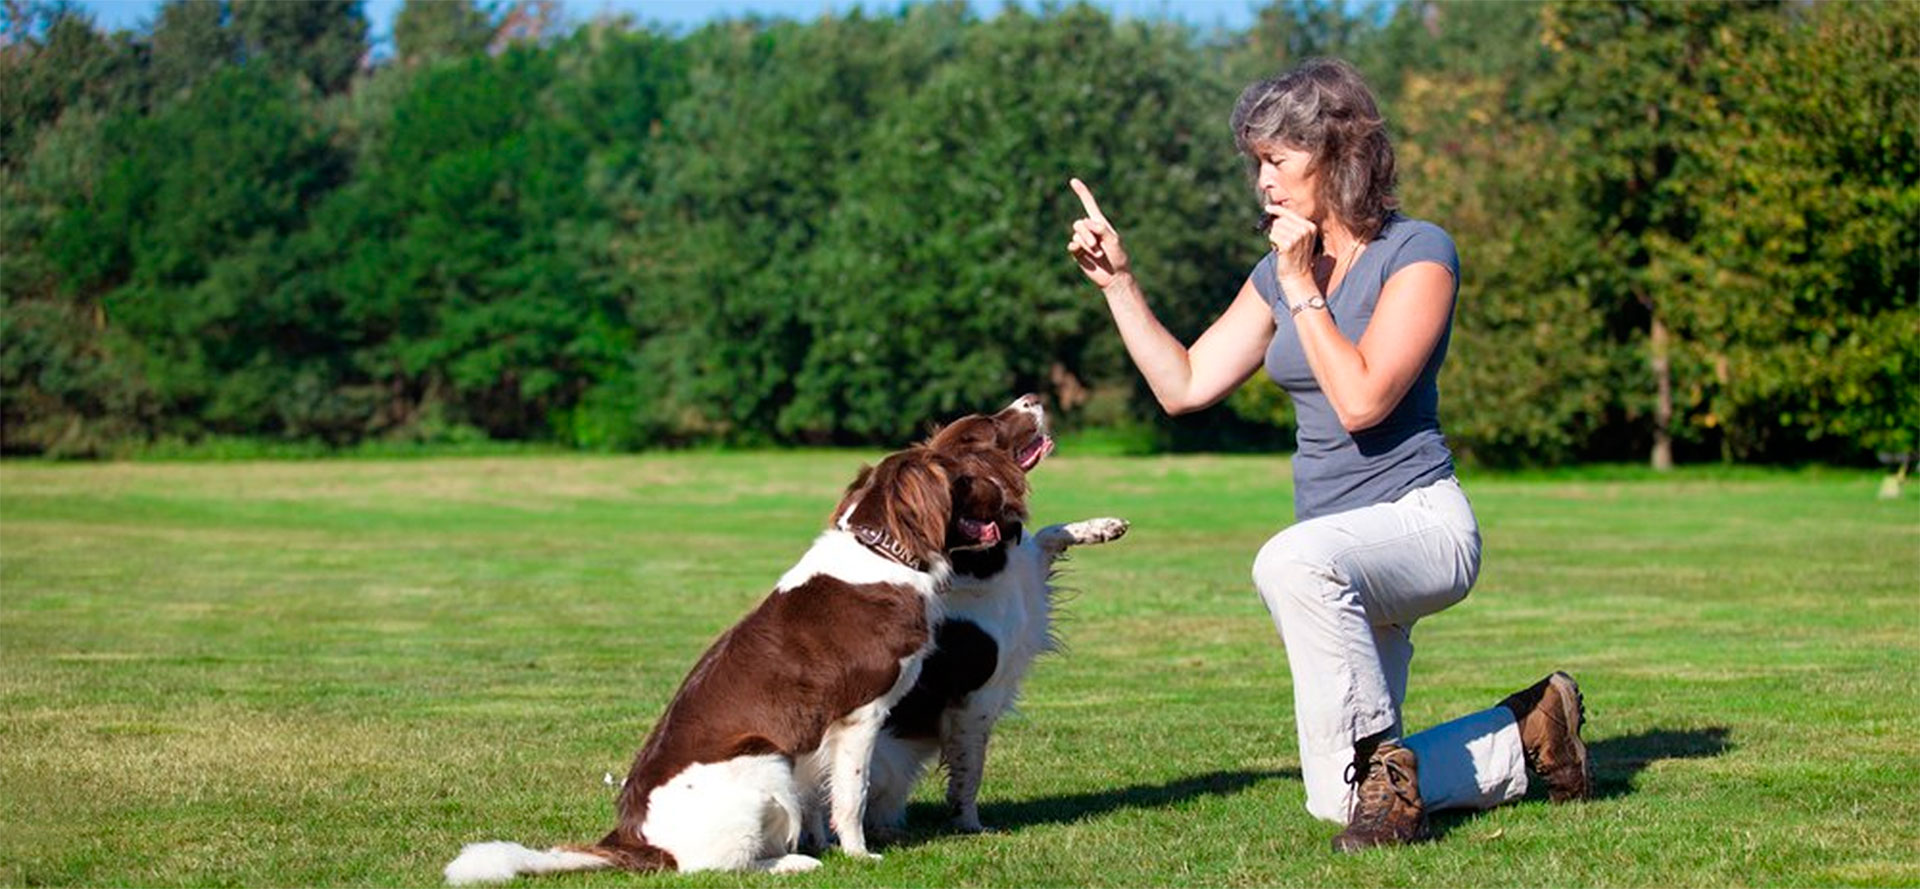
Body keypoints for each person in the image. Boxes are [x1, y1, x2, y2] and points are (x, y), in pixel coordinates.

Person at [1065, 58, 1591, 852]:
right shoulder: (1276, 276)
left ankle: (1390, 777)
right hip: (1335, 557)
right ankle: (1529, 735)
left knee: (1290, 560)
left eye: (1276, 160)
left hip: (1420, 523)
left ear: (1338, 152)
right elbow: (1186, 384)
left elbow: (1364, 398)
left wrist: (1302, 287)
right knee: (1335, 800)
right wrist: (1119, 284)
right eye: (1256, 165)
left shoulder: (1418, 253)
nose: (1262, 184)